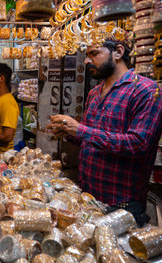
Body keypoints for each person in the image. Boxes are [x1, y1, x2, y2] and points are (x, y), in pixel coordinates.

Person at [48, 39, 162, 226]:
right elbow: (91, 139)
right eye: (86, 56)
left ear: (118, 52)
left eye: (94, 54)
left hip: (122, 204)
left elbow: (138, 144)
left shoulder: (145, 91)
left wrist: (81, 130)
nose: (86, 61)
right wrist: (68, 132)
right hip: (88, 197)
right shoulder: (95, 93)